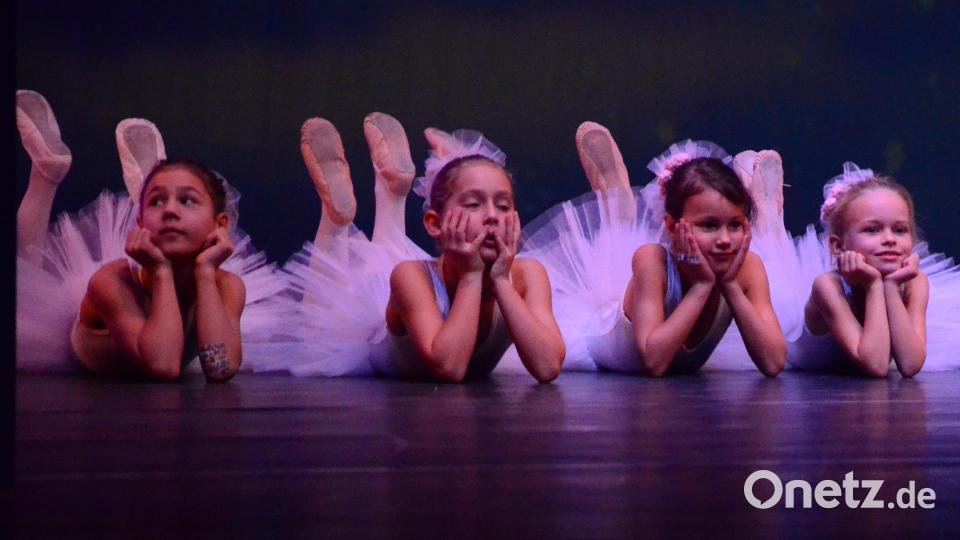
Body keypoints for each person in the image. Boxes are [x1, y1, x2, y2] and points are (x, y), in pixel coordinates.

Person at [273, 119, 565, 382]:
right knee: (321, 326)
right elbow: (449, 367)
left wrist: (501, 280)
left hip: (481, 286)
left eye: (503, 206)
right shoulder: (410, 276)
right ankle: (339, 217)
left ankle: (392, 190)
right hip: (367, 350)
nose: (492, 216)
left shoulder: (528, 273)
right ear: (434, 224)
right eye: (474, 205)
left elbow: (548, 366)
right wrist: (471, 276)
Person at [520, 129, 786, 376]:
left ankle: (768, 215)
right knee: (617, 247)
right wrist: (702, 286)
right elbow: (655, 361)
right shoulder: (652, 261)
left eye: (735, 225)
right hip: (597, 341)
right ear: (671, 226)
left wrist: (729, 285)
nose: (725, 240)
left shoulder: (748, 268)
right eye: (709, 226)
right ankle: (615, 199)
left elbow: (774, 363)